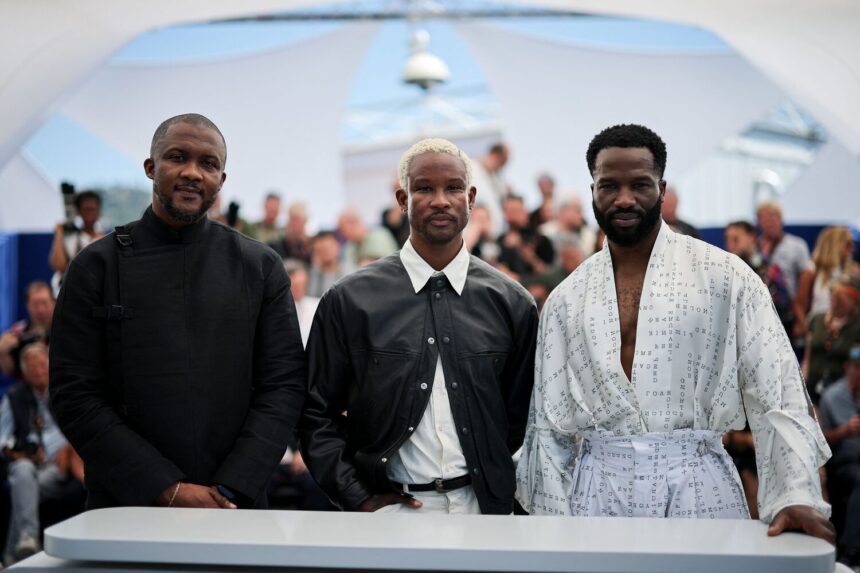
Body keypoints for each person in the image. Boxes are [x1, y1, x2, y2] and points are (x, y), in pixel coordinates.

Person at [516, 123, 834, 543]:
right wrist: (548, 529)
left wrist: (796, 495)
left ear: (662, 189)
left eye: (640, 185)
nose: (624, 198)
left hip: (698, 485)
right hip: (596, 496)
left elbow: (778, 392)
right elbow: (548, 426)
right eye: (608, 185)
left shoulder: (725, 276)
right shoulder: (566, 298)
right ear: (592, 189)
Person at [49, 113, 307, 510]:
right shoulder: (95, 267)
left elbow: (284, 386)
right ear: (151, 167)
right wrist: (166, 488)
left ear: (221, 180)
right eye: (177, 157)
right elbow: (73, 393)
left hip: (234, 505)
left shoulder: (260, 267)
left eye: (208, 163)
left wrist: (232, 486)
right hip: (127, 502)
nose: (193, 173)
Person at [301, 138, 538, 514]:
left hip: (485, 510)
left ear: (471, 198)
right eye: (424, 188)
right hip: (390, 511)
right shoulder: (350, 300)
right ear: (402, 200)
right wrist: (357, 497)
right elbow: (315, 414)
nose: (440, 200)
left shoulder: (511, 303)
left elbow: (523, 418)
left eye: (454, 188)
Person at [1, 343, 84, 565]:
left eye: (42, 365)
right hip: (27, 466)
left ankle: (12, 555)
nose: (39, 371)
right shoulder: (13, 397)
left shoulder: (64, 392)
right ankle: (27, 539)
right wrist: (18, 452)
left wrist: (68, 448)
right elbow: (2, 440)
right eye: (33, 367)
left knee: (23, 490)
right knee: (23, 472)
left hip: (58, 466)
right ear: (25, 373)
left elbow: (81, 426)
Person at [819, 345, 860, 567]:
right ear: (847, 367)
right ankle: (850, 551)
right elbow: (820, 438)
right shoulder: (832, 396)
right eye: (856, 367)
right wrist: (845, 431)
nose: (859, 372)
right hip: (841, 462)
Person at [724, 220, 797, 337]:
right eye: (727, 240)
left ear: (751, 238)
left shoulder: (769, 269)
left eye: (735, 240)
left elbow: (783, 309)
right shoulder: (726, 270)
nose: (730, 245)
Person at [804, 274, 860, 403]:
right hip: (811, 387)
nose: (835, 304)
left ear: (853, 302)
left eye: (840, 300)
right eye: (833, 298)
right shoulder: (817, 319)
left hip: (839, 393)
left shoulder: (856, 326)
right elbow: (808, 358)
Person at [796, 226, 857, 325]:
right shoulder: (812, 270)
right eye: (848, 244)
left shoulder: (854, 271)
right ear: (834, 244)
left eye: (852, 244)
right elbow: (799, 304)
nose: (851, 248)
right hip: (818, 326)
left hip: (847, 327)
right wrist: (806, 329)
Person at [48, 190, 104, 296]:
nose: (90, 214)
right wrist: (59, 234)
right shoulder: (69, 238)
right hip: (68, 292)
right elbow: (57, 265)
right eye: (86, 210)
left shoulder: (105, 240)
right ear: (79, 211)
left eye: (93, 210)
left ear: (99, 211)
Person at [757, 199, 811, 300]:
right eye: (765, 218)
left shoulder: (797, 245)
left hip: (788, 306)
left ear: (781, 219)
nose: (769, 222)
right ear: (759, 222)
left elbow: (806, 277)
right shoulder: (753, 247)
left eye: (773, 217)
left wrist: (799, 306)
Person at [0, 282, 54, 379]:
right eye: (35, 304)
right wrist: (2, 352)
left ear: (53, 302)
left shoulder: (65, 328)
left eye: (44, 303)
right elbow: (10, 372)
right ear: (27, 306)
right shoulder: (18, 332)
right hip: (29, 389)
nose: (41, 309)